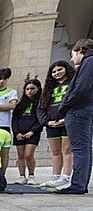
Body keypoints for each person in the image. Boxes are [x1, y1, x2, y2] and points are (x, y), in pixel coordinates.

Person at [57, 38, 93, 194]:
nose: (72, 59)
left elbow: (81, 88)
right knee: (85, 147)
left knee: (79, 148)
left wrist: (64, 105)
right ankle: (81, 183)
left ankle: (78, 184)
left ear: (80, 50)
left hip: (79, 109)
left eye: (73, 54)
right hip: (86, 108)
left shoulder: (88, 62)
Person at [38, 60, 76, 190]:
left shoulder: (73, 84)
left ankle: (66, 177)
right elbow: (40, 108)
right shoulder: (48, 89)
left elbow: (76, 102)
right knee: (55, 151)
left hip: (68, 122)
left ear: (66, 69)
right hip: (51, 124)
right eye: (53, 71)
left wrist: (66, 119)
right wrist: (47, 122)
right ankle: (55, 176)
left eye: (59, 70)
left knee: (67, 150)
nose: (56, 73)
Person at [10, 79, 43, 185]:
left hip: (33, 133)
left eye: (32, 89)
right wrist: (16, 133)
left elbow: (41, 120)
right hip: (19, 133)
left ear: (38, 89)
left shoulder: (41, 103)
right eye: (27, 89)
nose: (30, 91)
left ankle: (31, 175)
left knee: (28, 155)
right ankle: (22, 175)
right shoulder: (20, 105)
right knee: (20, 155)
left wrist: (32, 131)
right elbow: (14, 119)